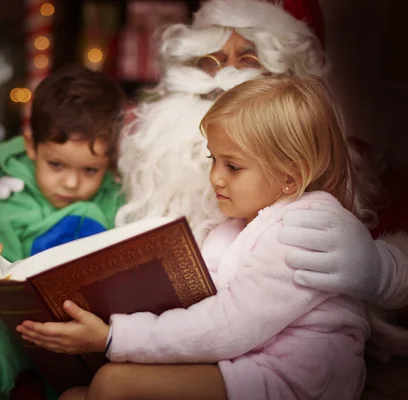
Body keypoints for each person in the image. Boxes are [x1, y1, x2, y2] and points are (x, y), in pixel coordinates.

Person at [18, 74, 381, 400]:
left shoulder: (305, 232)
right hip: (244, 357)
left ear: (290, 177)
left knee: (113, 384)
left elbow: (230, 326)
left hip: (297, 376)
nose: (215, 178)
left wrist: (113, 337)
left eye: (233, 166)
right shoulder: (238, 225)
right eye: (213, 160)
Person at [114, 0, 408, 329]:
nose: (223, 77)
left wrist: (386, 274)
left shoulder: (362, 173)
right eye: (209, 60)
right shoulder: (137, 166)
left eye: (249, 59)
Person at [0, 64, 126, 400]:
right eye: (56, 164)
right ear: (32, 147)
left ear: (111, 160)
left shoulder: (120, 202)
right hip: (23, 327)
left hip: (99, 330)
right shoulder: (9, 203)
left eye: (90, 170)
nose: (72, 183)